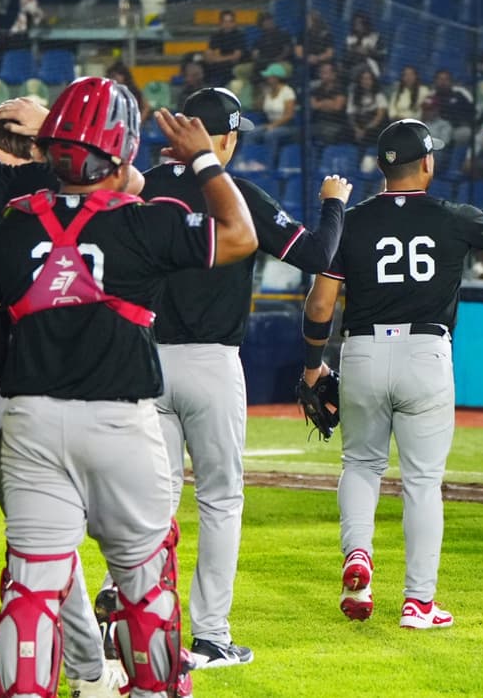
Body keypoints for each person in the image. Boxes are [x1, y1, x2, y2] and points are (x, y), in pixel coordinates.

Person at [0, 77, 257, 698]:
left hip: (31, 422)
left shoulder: (14, 226)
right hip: (123, 422)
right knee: (145, 589)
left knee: (29, 591)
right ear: (121, 149)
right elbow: (239, 233)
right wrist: (203, 157)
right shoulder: (146, 225)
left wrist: (18, 383)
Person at [140, 86, 351, 668]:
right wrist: (334, 202)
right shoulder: (239, 195)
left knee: (147, 502)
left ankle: (137, 625)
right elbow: (318, 254)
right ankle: (210, 636)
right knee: (219, 501)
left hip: (145, 360)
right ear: (224, 138)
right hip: (210, 363)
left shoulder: (145, 189)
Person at [299, 114, 483, 628]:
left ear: (384, 168)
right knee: (423, 483)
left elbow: (320, 306)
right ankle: (418, 602)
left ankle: (358, 558)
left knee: (360, 465)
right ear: (427, 162)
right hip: (425, 350)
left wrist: (314, 365)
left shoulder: (352, 220)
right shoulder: (450, 215)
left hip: (361, 351)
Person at [0, 115, 127, 698]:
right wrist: (50, 130)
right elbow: (125, 181)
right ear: (28, 150)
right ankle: (91, 673)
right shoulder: (20, 184)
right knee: (45, 534)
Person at [251, 62, 296, 156]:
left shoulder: (288, 91)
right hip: (270, 124)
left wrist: (273, 125)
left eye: (269, 77)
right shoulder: (268, 91)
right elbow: (257, 107)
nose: (267, 79)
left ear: (276, 78)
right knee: (251, 133)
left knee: (270, 135)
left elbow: (289, 115)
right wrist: (262, 95)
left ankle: (268, 163)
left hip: (287, 126)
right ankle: (250, 160)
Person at [347, 68, 388, 160]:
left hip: (373, 126)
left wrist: (366, 129)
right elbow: (350, 115)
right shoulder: (353, 96)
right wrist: (357, 129)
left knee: (369, 136)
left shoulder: (378, 95)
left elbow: (379, 116)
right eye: (364, 79)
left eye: (369, 79)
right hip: (359, 125)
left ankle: (367, 158)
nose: (366, 82)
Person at [430, 69, 475, 147]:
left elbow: (472, 111)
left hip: (458, 129)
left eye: (446, 79)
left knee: (466, 133)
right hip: (439, 129)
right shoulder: (431, 96)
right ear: (435, 81)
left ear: (451, 81)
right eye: (440, 79)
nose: (443, 82)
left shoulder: (460, 93)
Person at [310, 60, 350, 145]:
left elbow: (337, 107)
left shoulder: (340, 89)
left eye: (325, 72)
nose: (322, 75)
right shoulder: (317, 89)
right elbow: (314, 106)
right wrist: (327, 102)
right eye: (321, 72)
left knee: (328, 135)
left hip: (336, 124)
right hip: (319, 123)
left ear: (333, 74)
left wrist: (321, 104)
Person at [204, 8, 246, 86]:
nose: (227, 24)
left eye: (230, 21)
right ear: (220, 23)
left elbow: (236, 57)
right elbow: (208, 56)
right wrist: (218, 59)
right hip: (220, 64)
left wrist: (217, 59)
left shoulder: (239, 35)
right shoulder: (216, 35)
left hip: (235, 64)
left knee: (223, 67)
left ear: (234, 23)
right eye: (225, 22)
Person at [250, 12, 293, 77]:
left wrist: (276, 60)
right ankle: (260, 85)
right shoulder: (259, 39)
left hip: (280, 61)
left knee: (273, 68)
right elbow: (255, 53)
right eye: (265, 21)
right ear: (261, 24)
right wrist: (259, 60)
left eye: (269, 19)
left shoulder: (283, 34)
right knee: (257, 67)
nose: (268, 22)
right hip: (264, 62)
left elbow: (287, 50)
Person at [343, 12, 384, 79]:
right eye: (355, 23)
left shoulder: (375, 37)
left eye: (359, 23)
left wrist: (369, 52)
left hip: (370, 65)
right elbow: (345, 55)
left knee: (358, 69)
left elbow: (381, 55)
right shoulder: (350, 38)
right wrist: (354, 51)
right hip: (352, 65)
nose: (357, 25)